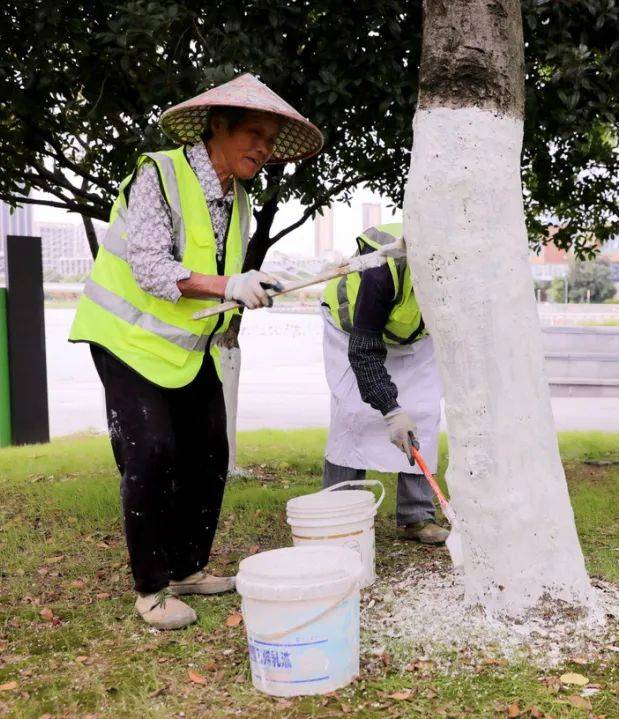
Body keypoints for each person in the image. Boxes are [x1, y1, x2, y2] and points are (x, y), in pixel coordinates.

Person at [69, 74, 323, 629]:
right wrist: (228, 285)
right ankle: (151, 589)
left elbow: (217, 278)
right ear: (217, 128)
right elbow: (153, 269)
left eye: (271, 140)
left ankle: (187, 568)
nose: (263, 148)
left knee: (210, 452)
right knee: (152, 453)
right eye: (253, 134)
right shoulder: (158, 174)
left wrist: (248, 290)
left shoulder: (241, 200)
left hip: (186, 349)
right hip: (124, 339)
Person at [320, 223, 449, 544]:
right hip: (350, 326)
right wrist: (391, 412)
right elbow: (364, 353)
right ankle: (337, 512)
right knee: (354, 414)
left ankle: (418, 516)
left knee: (424, 411)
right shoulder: (382, 271)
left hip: (412, 337)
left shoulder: (455, 276)